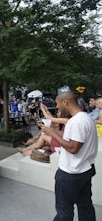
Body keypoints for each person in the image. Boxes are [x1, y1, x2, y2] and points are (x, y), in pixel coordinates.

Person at [40, 91, 98, 221]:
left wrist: (51, 133)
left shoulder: (77, 122)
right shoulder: (85, 118)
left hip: (71, 174)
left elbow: (73, 148)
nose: (57, 107)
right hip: (84, 170)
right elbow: (71, 139)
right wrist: (50, 130)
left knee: (64, 212)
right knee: (85, 206)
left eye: (57, 104)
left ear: (65, 102)